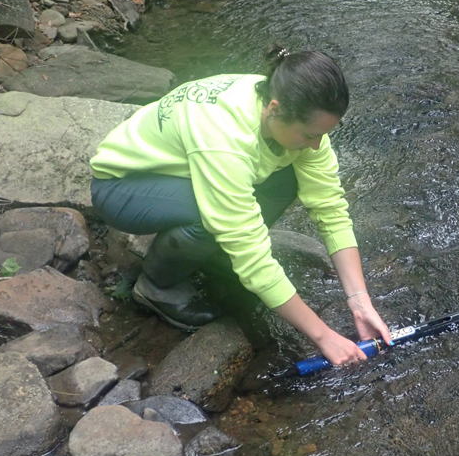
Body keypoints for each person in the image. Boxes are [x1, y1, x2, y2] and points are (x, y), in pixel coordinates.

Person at [89, 44, 391, 366]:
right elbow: (249, 248)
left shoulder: (294, 106)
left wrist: (359, 301)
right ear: (275, 109)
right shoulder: (225, 137)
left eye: (324, 134)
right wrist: (323, 336)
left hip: (181, 174)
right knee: (214, 218)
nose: (318, 144)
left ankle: (209, 254)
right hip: (123, 185)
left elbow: (330, 208)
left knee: (289, 178)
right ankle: (156, 286)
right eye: (310, 135)